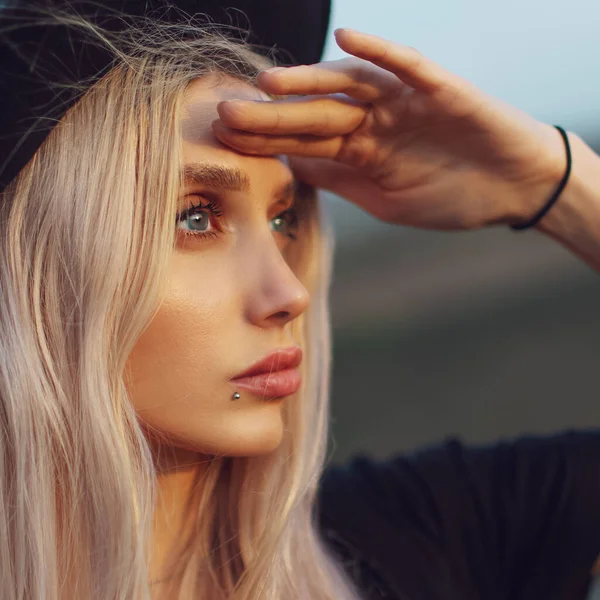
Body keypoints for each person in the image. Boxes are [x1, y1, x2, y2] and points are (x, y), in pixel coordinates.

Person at [1, 3, 600, 600]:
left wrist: (555, 184)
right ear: (31, 269)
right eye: (195, 215)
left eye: (283, 218)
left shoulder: (417, 541)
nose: (290, 292)